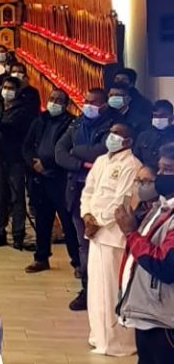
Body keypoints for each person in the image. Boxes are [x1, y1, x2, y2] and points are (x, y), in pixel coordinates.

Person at [117, 141, 174, 364]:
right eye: (161, 168)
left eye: (168, 171)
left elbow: (166, 266)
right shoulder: (163, 207)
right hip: (148, 313)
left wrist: (131, 233)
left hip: (166, 319)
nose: (160, 176)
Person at [80, 122, 141, 356]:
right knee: (96, 290)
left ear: (128, 141)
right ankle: (98, 336)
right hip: (95, 233)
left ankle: (117, 342)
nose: (111, 137)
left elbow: (122, 201)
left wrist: (98, 222)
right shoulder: (101, 161)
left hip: (113, 235)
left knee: (111, 290)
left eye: (117, 134)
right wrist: (87, 216)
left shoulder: (131, 165)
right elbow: (89, 191)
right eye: (111, 133)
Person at [55, 87, 113, 311]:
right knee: (84, 244)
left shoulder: (112, 127)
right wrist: (79, 163)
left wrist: (77, 151)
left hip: (101, 193)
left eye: (93, 102)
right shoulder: (77, 124)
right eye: (86, 101)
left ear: (104, 105)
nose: (88, 105)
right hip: (77, 188)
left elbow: (99, 151)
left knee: (101, 243)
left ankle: (104, 290)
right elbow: (60, 151)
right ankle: (87, 288)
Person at [22, 87, 80, 275]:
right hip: (39, 178)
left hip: (60, 179)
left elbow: (68, 151)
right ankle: (41, 257)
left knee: (68, 222)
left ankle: (77, 262)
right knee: (42, 220)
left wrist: (46, 164)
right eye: (52, 98)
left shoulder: (72, 124)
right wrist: (32, 163)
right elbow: (27, 145)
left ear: (66, 104)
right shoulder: (40, 120)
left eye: (58, 100)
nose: (53, 103)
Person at [0, 75, 35, 250]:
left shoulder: (23, 110)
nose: (7, 91)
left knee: (16, 197)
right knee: (0, 198)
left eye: (11, 88)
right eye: (5, 87)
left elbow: (13, 128)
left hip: (15, 158)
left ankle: (18, 234)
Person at [136, 99, 174, 172]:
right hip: (147, 175)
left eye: (162, 116)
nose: (158, 119)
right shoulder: (144, 136)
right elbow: (136, 159)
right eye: (155, 116)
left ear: (172, 118)